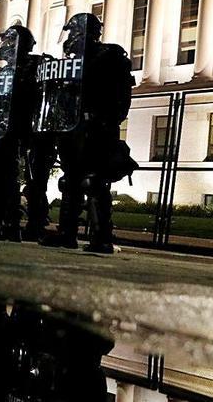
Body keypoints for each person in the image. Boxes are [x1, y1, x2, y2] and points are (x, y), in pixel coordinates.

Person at [36, 13, 136, 253]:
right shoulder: (74, 63)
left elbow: (120, 95)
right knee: (70, 181)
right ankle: (67, 233)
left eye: (73, 33)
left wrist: (105, 119)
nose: (69, 39)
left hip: (97, 129)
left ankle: (102, 237)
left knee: (94, 181)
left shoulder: (109, 56)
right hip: (72, 128)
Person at [0, 25, 44, 242]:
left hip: (22, 129)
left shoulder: (34, 67)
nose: (3, 47)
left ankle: (13, 226)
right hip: (0, 130)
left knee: (16, 178)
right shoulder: (3, 72)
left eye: (8, 42)